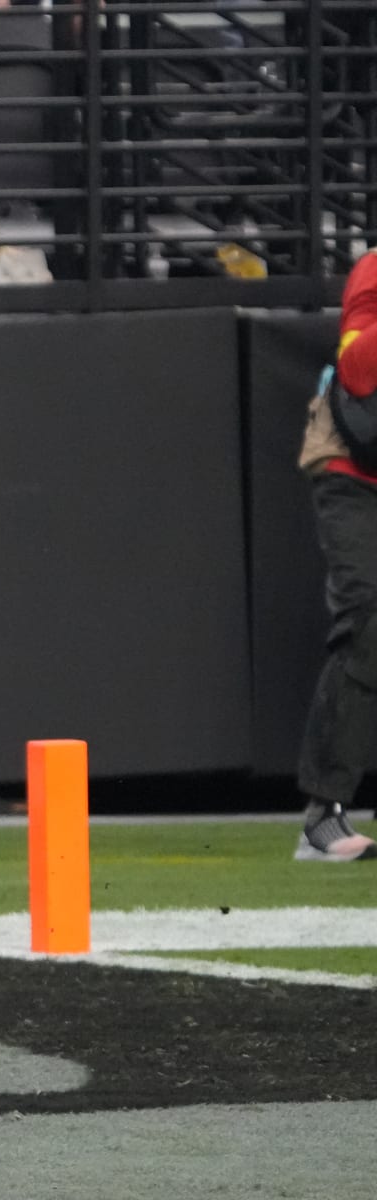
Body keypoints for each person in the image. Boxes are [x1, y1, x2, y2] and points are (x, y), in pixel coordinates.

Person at [293, 250, 377, 862]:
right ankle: (323, 812)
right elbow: (357, 368)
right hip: (356, 468)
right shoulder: (374, 269)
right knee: (369, 619)